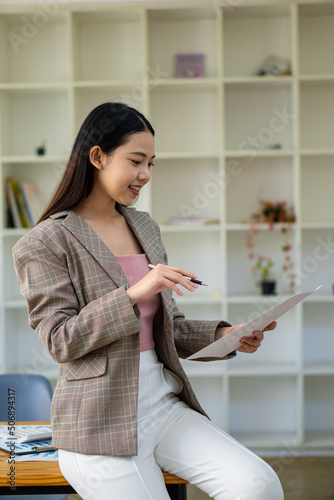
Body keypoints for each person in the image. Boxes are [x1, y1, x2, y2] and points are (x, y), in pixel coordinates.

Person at [13, 102, 283, 500]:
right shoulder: (45, 242)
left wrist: (229, 334)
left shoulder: (144, 226)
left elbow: (168, 327)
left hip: (163, 406)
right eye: (136, 160)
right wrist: (135, 292)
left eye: (151, 164)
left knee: (259, 486)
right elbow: (60, 339)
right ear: (98, 157)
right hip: (98, 421)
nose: (145, 175)